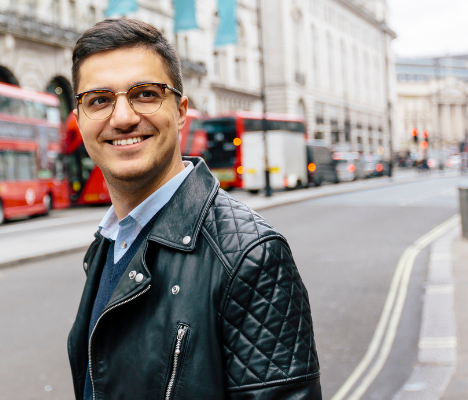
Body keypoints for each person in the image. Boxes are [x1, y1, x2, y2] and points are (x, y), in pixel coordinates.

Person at [66, 19, 321, 400]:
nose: (122, 118)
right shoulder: (107, 243)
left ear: (181, 111)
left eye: (145, 94)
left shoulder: (250, 256)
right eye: (99, 100)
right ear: (80, 120)